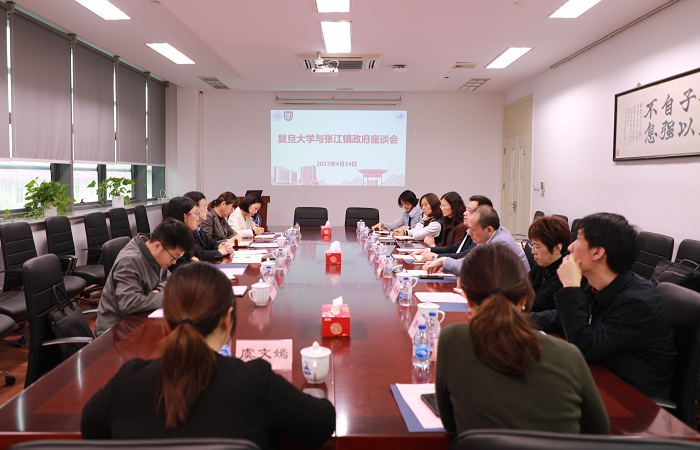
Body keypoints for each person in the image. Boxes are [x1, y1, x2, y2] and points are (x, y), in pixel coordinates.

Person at [82, 263, 336, 450]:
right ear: (228, 319)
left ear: (166, 323)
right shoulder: (255, 382)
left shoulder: (128, 381)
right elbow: (321, 424)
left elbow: (89, 428)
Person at [435, 244, 610, 436]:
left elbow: (451, 424)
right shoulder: (569, 356)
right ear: (525, 299)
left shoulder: (452, 339)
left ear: (467, 297)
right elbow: (599, 432)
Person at [531, 213, 675, 400]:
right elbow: (560, 318)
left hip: (630, 400)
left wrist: (571, 287)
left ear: (597, 252)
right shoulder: (597, 286)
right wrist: (516, 320)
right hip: (598, 377)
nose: (570, 247)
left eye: (578, 240)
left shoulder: (637, 302)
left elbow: (584, 347)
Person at [95, 218, 194, 336]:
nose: (174, 262)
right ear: (157, 246)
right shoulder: (129, 261)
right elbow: (129, 303)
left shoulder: (157, 255)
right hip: (116, 330)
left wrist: (156, 291)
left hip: (140, 317)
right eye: (174, 257)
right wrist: (168, 298)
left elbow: (170, 280)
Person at [426, 205, 529, 275]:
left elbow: (473, 269)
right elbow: (469, 260)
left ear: (488, 229)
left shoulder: (500, 243)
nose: (469, 233)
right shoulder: (490, 236)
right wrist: (443, 261)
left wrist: (444, 261)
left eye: (473, 229)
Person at [412, 195, 492, 262]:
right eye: (441, 206)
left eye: (469, 210)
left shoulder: (465, 228)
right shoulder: (452, 224)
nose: (465, 213)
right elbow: (453, 248)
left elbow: (465, 255)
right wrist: (430, 250)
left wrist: (437, 255)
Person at [528, 216, 571, 312]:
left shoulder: (564, 275)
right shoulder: (543, 265)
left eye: (537, 247)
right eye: (532, 245)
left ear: (557, 248)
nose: (533, 251)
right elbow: (520, 286)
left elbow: (536, 304)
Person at [184, 191, 233, 261]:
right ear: (195, 208)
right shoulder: (188, 230)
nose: (207, 210)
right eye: (204, 206)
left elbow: (211, 243)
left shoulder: (198, 228)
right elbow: (200, 254)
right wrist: (221, 252)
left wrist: (223, 246)